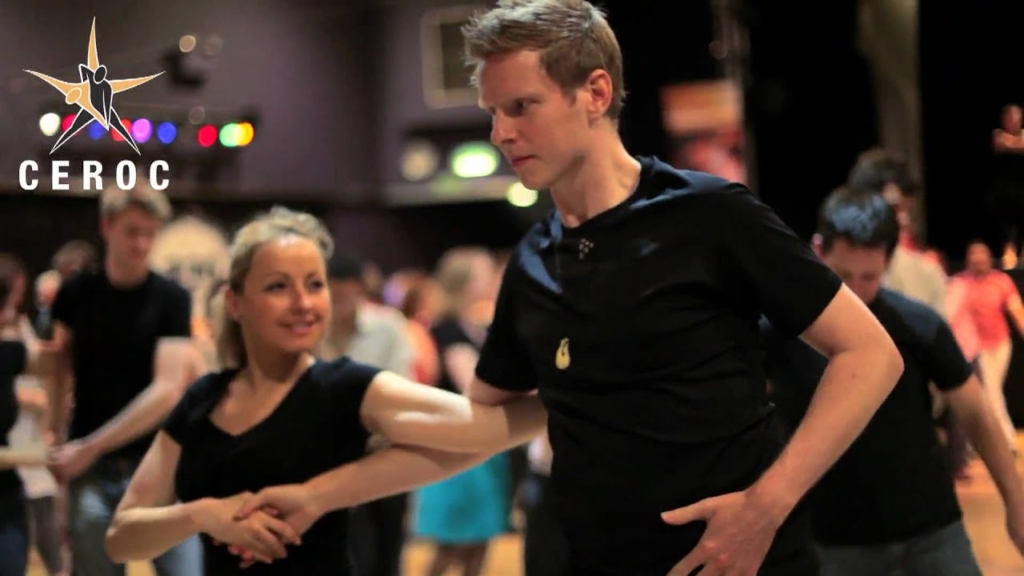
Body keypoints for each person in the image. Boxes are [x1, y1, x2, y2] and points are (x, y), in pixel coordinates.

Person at [233, 3, 904, 574]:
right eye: (494, 113)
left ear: (597, 93)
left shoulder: (711, 215)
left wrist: (768, 505)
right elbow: (480, 427)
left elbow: (871, 355)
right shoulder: (532, 262)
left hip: (743, 559)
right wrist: (319, 493)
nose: (500, 133)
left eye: (521, 107)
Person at [104, 206, 547, 575]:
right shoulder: (202, 399)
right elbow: (121, 538)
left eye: (315, 285)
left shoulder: (348, 388)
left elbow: (485, 431)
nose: (303, 302)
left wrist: (576, 390)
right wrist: (203, 515)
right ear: (236, 302)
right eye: (278, 286)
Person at [763, 189, 1024, 575]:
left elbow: (977, 415)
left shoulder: (919, 326)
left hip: (932, 530)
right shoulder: (779, 331)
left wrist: (1015, 503)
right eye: (841, 274)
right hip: (831, 543)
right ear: (818, 249)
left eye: (868, 277)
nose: (853, 289)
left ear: (889, 261)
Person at [44, 185, 204, 576]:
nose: (142, 243)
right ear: (107, 226)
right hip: (91, 473)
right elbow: (58, 365)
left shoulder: (172, 299)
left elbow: (167, 391)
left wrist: (89, 447)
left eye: (150, 233)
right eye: (132, 231)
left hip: (160, 466)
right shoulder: (76, 293)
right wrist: (56, 434)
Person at [318, 251, 416, 576]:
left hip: (385, 450)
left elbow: (404, 388)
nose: (341, 300)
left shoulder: (388, 327)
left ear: (361, 289)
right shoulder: (311, 330)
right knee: (347, 554)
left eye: (348, 291)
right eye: (334, 292)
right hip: (331, 460)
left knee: (388, 551)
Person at [947, 240, 1024, 451]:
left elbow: (1016, 311)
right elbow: (949, 315)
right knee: (990, 393)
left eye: (982, 255)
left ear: (990, 258)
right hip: (974, 348)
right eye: (974, 255)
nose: (978, 260)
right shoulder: (960, 283)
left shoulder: (1002, 281)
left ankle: (987, 442)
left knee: (992, 393)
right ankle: (1006, 442)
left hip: (1000, 345)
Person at [0, 253, 49, 576]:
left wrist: (54, 426)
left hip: (6, 502)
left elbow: (59, 366)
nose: (15, 311)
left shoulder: (8, 352)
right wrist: (35, 456)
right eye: (14, 300)